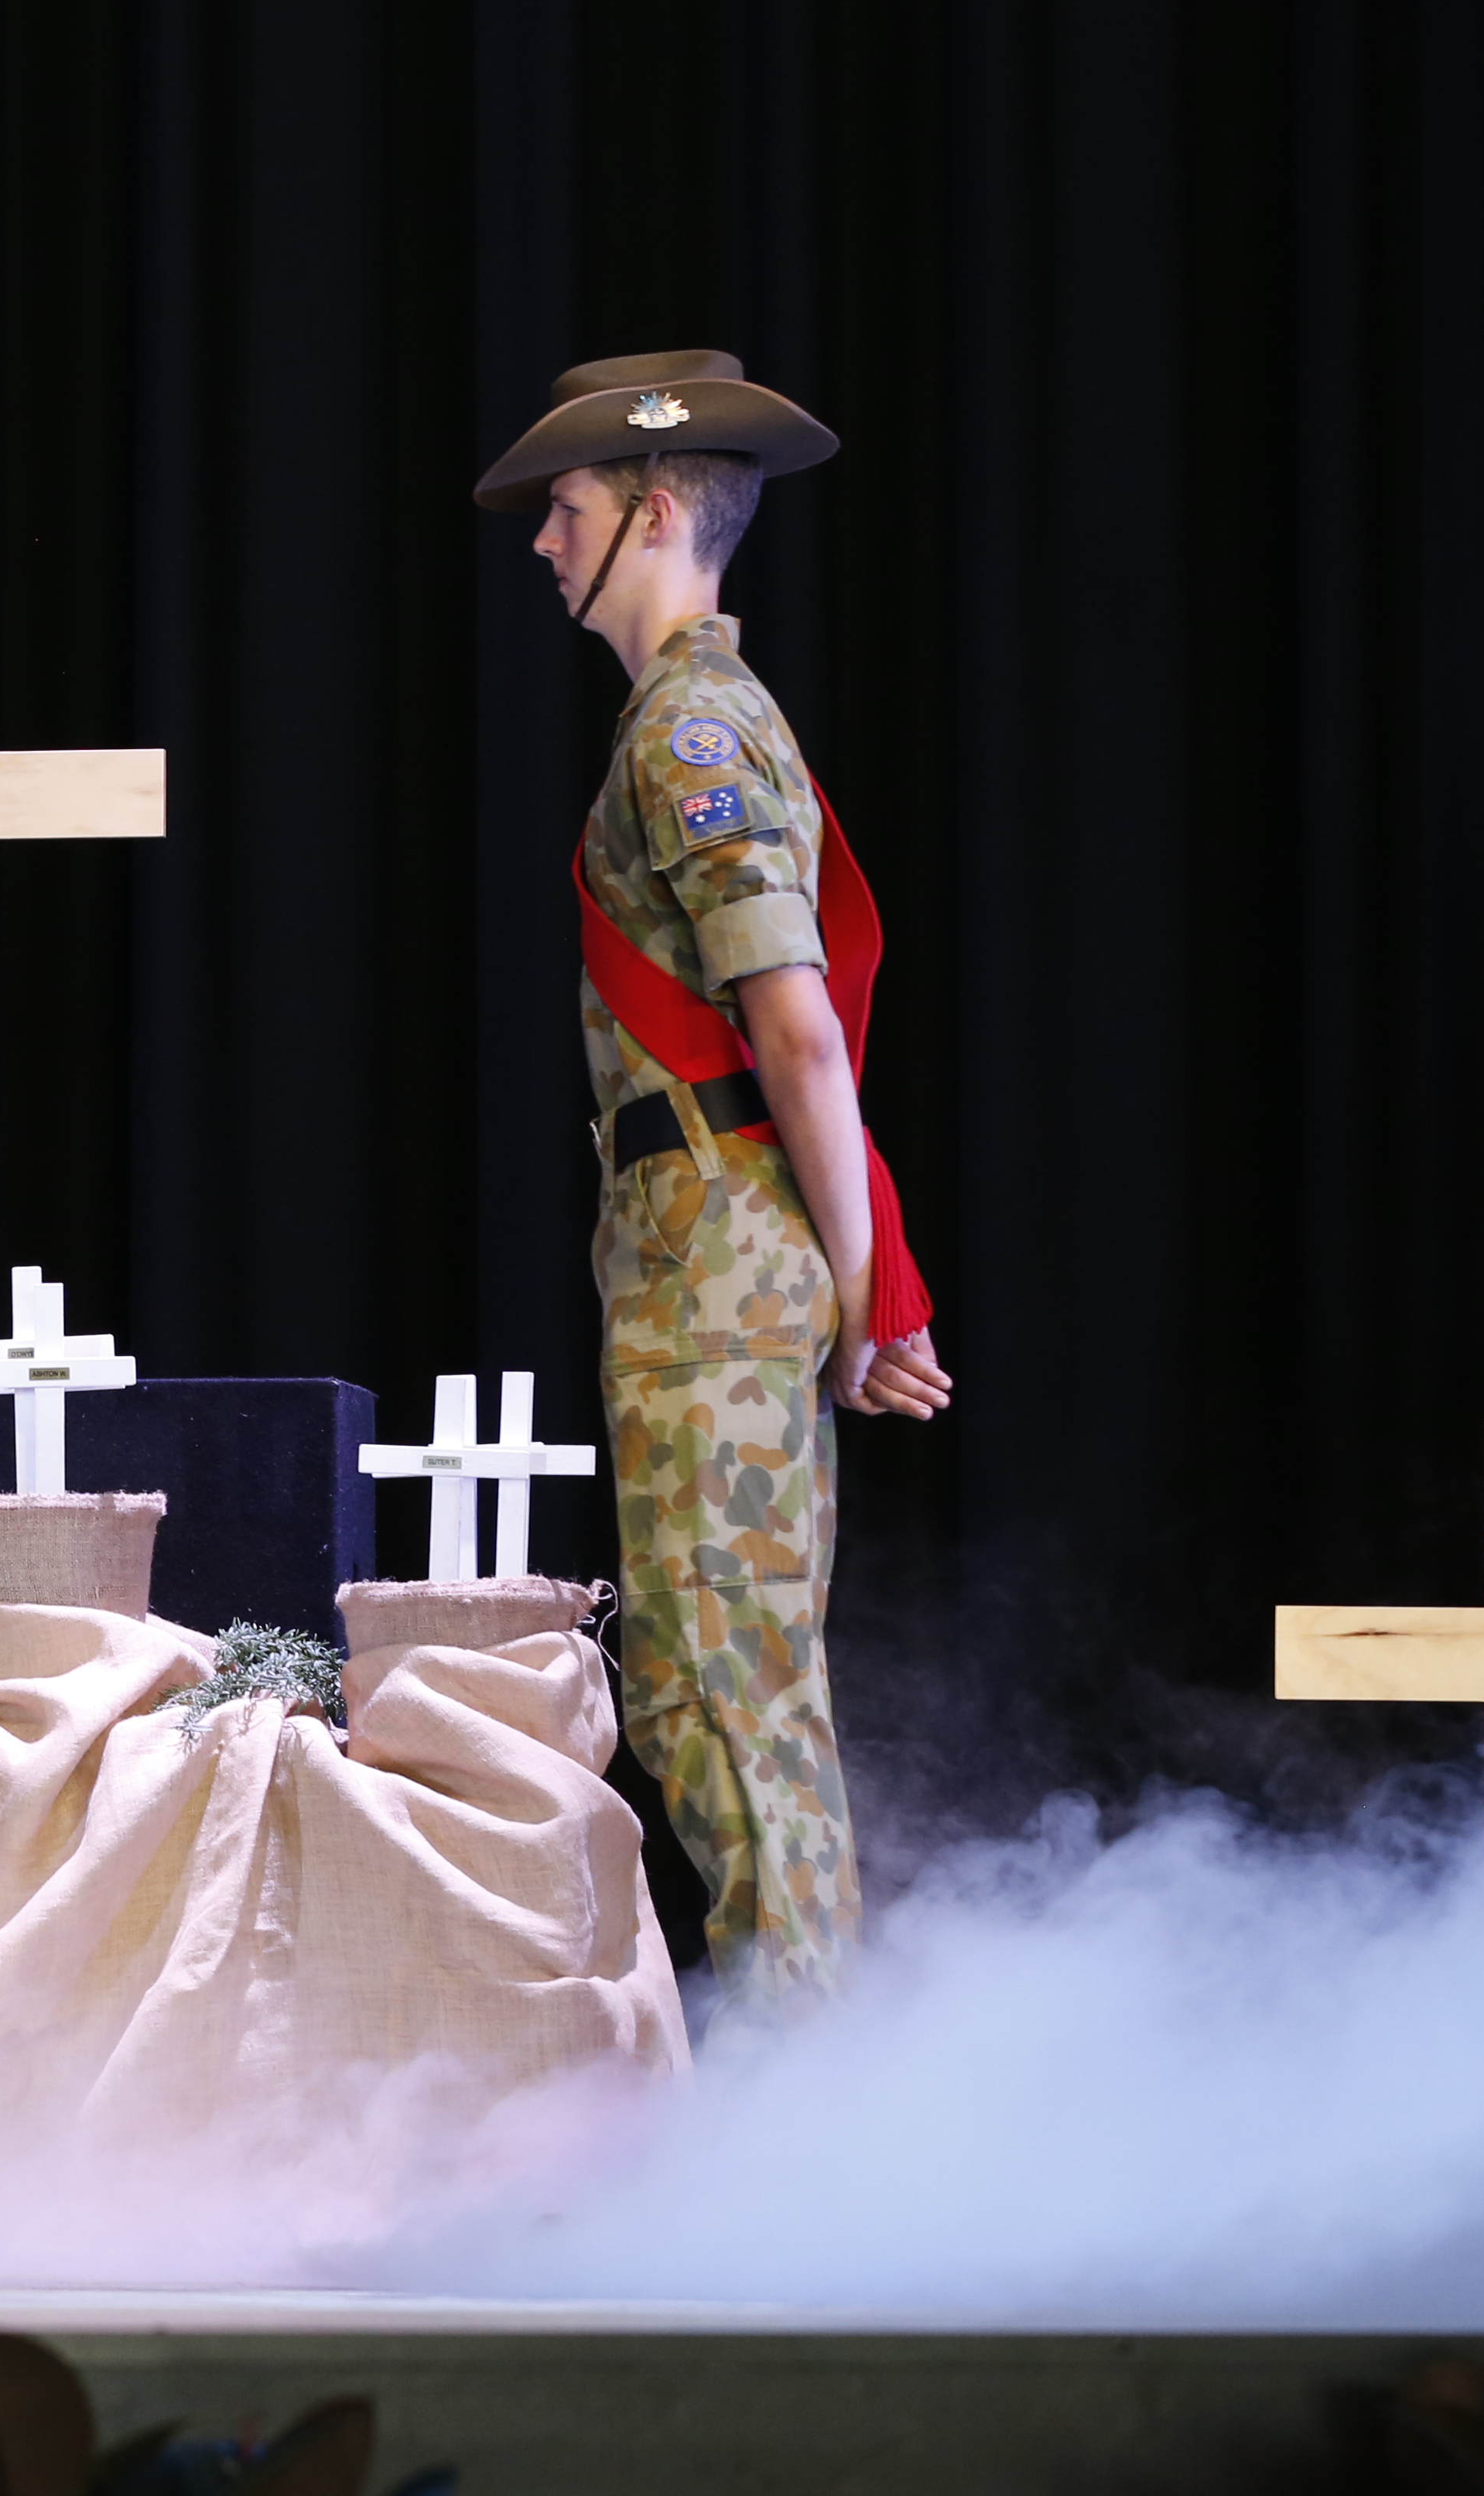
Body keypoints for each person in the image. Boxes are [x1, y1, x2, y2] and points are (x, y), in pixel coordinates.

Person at [474, 352, 954, 1998]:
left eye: (573, 508)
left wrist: (864, 1294)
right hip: (718, 1242)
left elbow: (797, 1035)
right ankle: (808, 2090)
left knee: (717, 1688)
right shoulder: (693, 719)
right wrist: (856, 1276)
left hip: (716, 1250)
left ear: (657, 512)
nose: (548, 541)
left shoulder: (689, 729)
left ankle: (814, 2104)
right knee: (723, 1678)